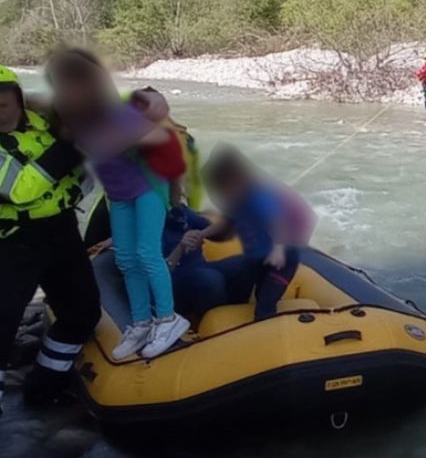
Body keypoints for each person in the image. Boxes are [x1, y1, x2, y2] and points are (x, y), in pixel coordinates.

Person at [46, 49, 188, 360]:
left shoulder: (117, 112)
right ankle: (140, 322)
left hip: (148, 187)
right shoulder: (69, 116)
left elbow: (158, 140)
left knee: (147, 252)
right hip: (119, 194)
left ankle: (168, 318)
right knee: (125, 258)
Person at [0, 66, 100, 413]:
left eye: (4, 98)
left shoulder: (41, 121)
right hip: (13, 241)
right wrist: (72, 148)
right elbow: (18, 189)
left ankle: (45, 389)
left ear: (16, 98)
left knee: (81, 312)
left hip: (61, 232)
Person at [188, 145, 302, 320]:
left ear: (238, 181)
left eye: (223, 189)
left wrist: (278, 250)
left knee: (265, 304)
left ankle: (266, 324)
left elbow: (278, 222)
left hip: (282, 259)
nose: (221, 196)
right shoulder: (236, 202)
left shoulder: (259, 197)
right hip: (257, 258)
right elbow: (225, 223)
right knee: (240, 293)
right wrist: (202, 234)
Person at [92, 204, 228, 330]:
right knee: (210, 279)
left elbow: (217, 228)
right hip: (174, 282)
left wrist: (201, 234)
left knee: (239, 266)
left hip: (197, 268)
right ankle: (199, 326)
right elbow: (159, 272)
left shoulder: (179, 212)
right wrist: (181, 247)